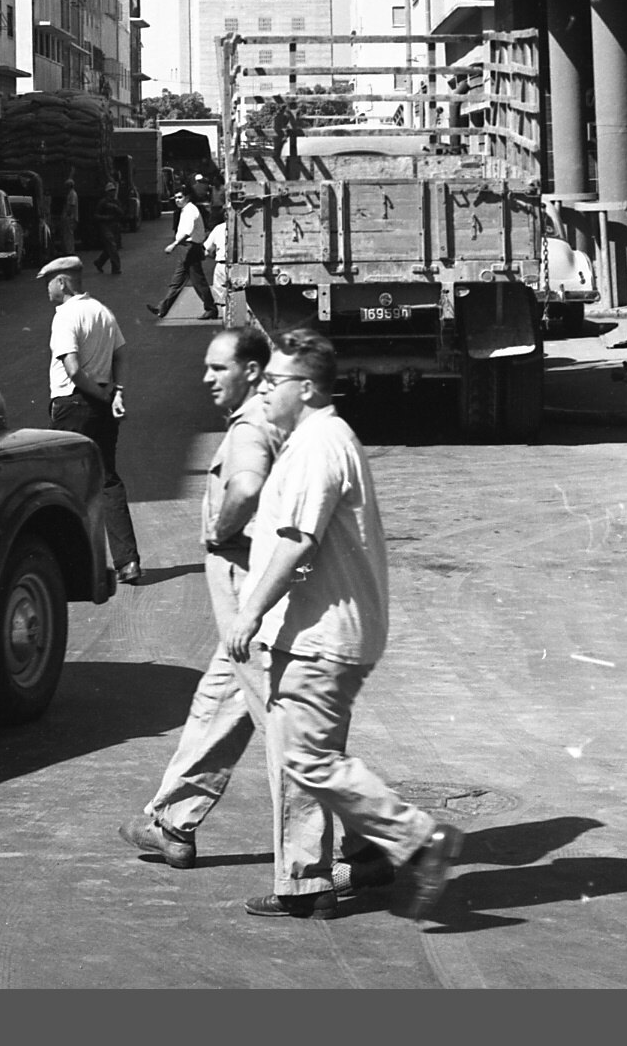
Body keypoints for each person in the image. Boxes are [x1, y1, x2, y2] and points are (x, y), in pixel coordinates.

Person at [229, 329, 461, 922]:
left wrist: (249, 611)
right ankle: (344, 866)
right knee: (306, 752)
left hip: (321, 635)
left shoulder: (317, 445)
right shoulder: (318, 439)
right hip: (319, 631)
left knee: (307, 758)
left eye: (274, 381)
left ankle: (419, 839)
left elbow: (298, 542)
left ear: (306, 388)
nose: (264, 391)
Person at [123, 322, 283, 868]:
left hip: (254, 599)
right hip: (246, 606)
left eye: (219, 368)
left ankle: (370, 836)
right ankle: (173, 821)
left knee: (289, 730)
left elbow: (247, 486)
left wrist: (219, 530)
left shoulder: (252, 425)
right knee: (217, 703)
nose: (208, 378)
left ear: (252, 371)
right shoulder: (265, 417)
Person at [42, 255, 141, 584]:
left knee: (65, 485)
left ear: (62, 282)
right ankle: (128, 562)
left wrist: (100, 394)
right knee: (107, 480)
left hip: (73, 405)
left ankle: (74, 567)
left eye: (49, 283)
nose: (47, 290)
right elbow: (121, 354)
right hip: (102, 406)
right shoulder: (102, 311)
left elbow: (72, 369)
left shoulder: (65, 316)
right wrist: (116, 393)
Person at [149, 186, 220, 322]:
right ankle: (162, 308)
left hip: (190, 248)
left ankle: (211, 309)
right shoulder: (186, 210)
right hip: (186, 249)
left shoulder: (190, 211)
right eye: (175, 197)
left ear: (187, 197)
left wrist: (173, 245)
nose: (177, 200)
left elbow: (187, 232)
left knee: (198, 281)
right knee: (177, 282)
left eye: (180, 197)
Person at [89, 182, 125, 278]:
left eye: (113, 191)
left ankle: (99, 262)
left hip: (114, 226)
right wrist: (106, 217)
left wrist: (116, 208)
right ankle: (116, 267)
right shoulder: (103, 203)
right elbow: (96, 215)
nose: (112, 193)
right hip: (105, 226)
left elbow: (122, 213)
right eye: (111, 191)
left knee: (111, 248)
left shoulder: (116, 202)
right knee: (112, 246)